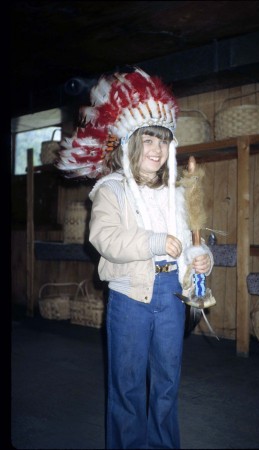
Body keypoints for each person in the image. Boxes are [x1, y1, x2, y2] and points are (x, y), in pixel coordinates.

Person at [57, 66, 214, 449]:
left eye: (163, 141)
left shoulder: (176, 192)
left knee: (166, 387)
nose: (157, 150)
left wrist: (202, 256)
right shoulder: (111, 190)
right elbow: (104, 238)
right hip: (130, 297)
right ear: (131, 143)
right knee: (127, 389)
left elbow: (193, 237)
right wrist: (154, 242)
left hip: (172, 298)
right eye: (148, 140)